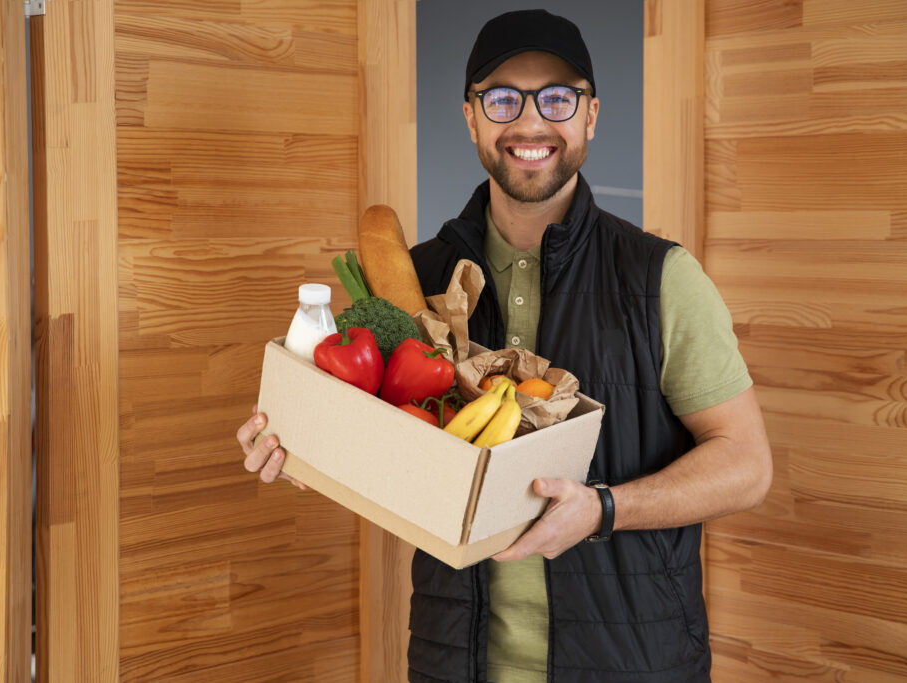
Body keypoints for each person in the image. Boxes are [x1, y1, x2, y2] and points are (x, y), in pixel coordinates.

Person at [237, 9, 772, 682]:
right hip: (452, 658)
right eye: (501, 98)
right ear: (470, 117)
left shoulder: (659, 278)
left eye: (556, 97)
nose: (528, 122)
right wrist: (301, 452)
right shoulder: (414, 281)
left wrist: (606, 507)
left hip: (633, 663)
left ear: (591, 115)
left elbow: (748, 463)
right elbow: (388, 445)